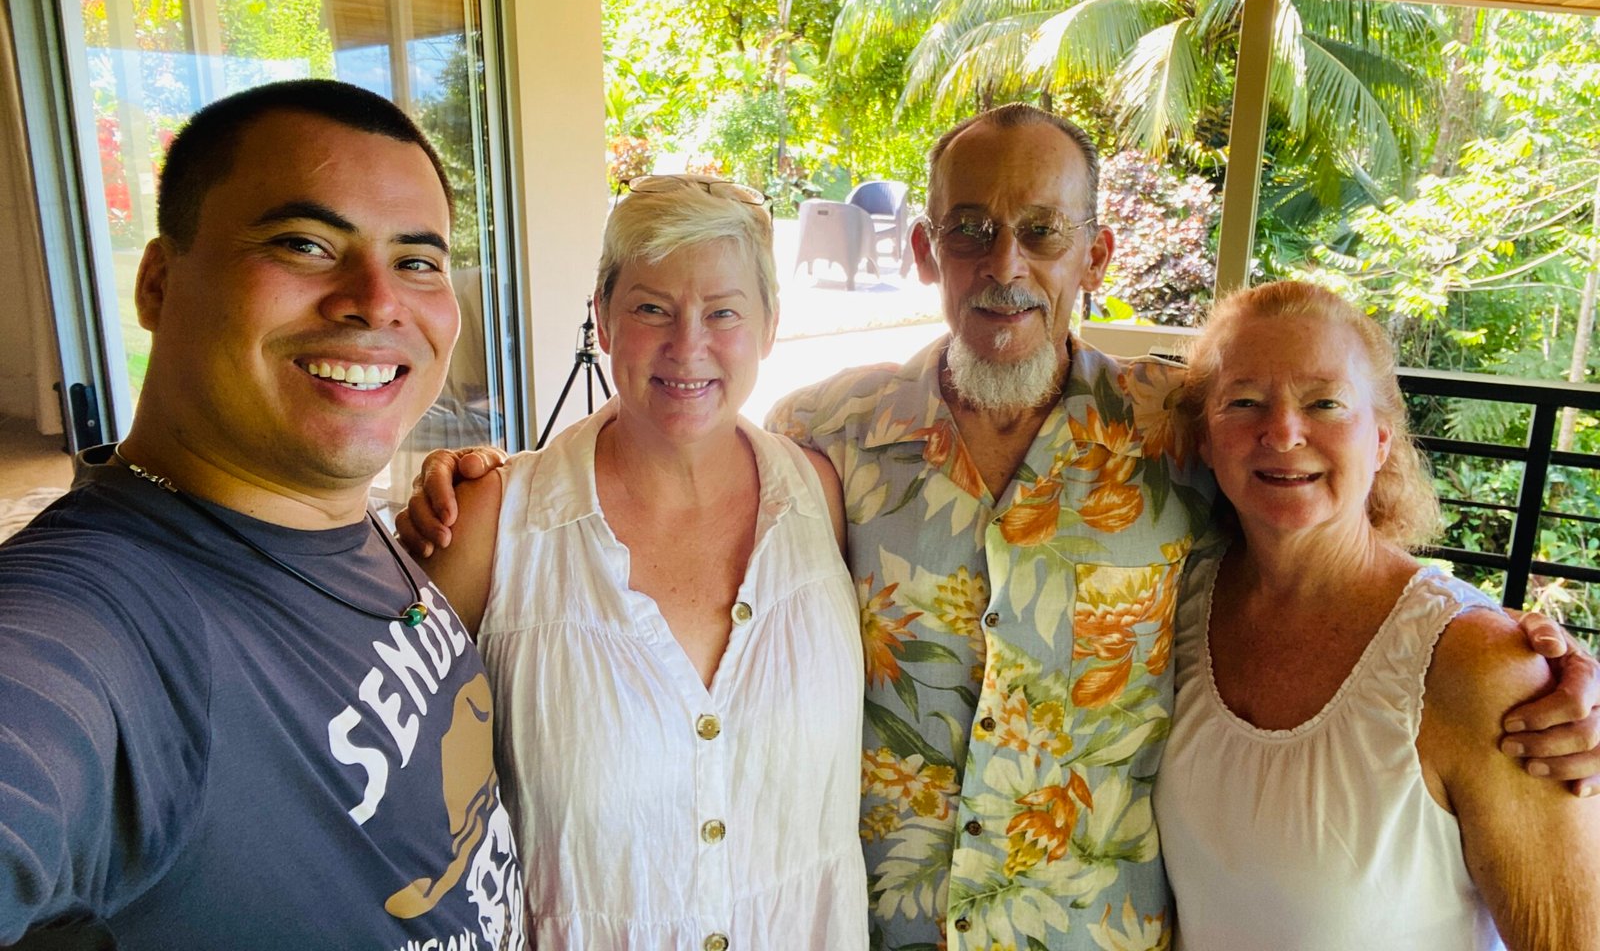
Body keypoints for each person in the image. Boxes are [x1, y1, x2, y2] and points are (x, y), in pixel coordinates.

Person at [405, 104, 1600, 950]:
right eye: (969, 228)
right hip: (867, 929)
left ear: (1096, 249)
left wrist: (1509, 663)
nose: (1004, 263)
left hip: (1097, 935)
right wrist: (482, 476)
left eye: (1041, 230)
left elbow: (1320, 535)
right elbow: (669, 456)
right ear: (926, 249)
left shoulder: (1176, 430)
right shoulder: (825, 441)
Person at [0, 80, 526, 950]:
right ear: (161, 284)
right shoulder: (98, 622)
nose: (378, 300)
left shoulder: (352, 526)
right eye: (304, 243)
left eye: (418, 260)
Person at [416, 174, 868, 950]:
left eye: (723, 312)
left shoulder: (822, 497)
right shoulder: (495, 526)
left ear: (768, 327)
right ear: (603, 316)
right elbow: (396, 794)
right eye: (651, 308)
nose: (686, 345)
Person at [1152, 281, 1600, 949]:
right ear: (1207, 443)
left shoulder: (1480, 668)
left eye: (1324, 402)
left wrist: (1524, 658)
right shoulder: (1170, 606)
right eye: (1244, 401)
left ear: (1382, 439)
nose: (1282, 430)